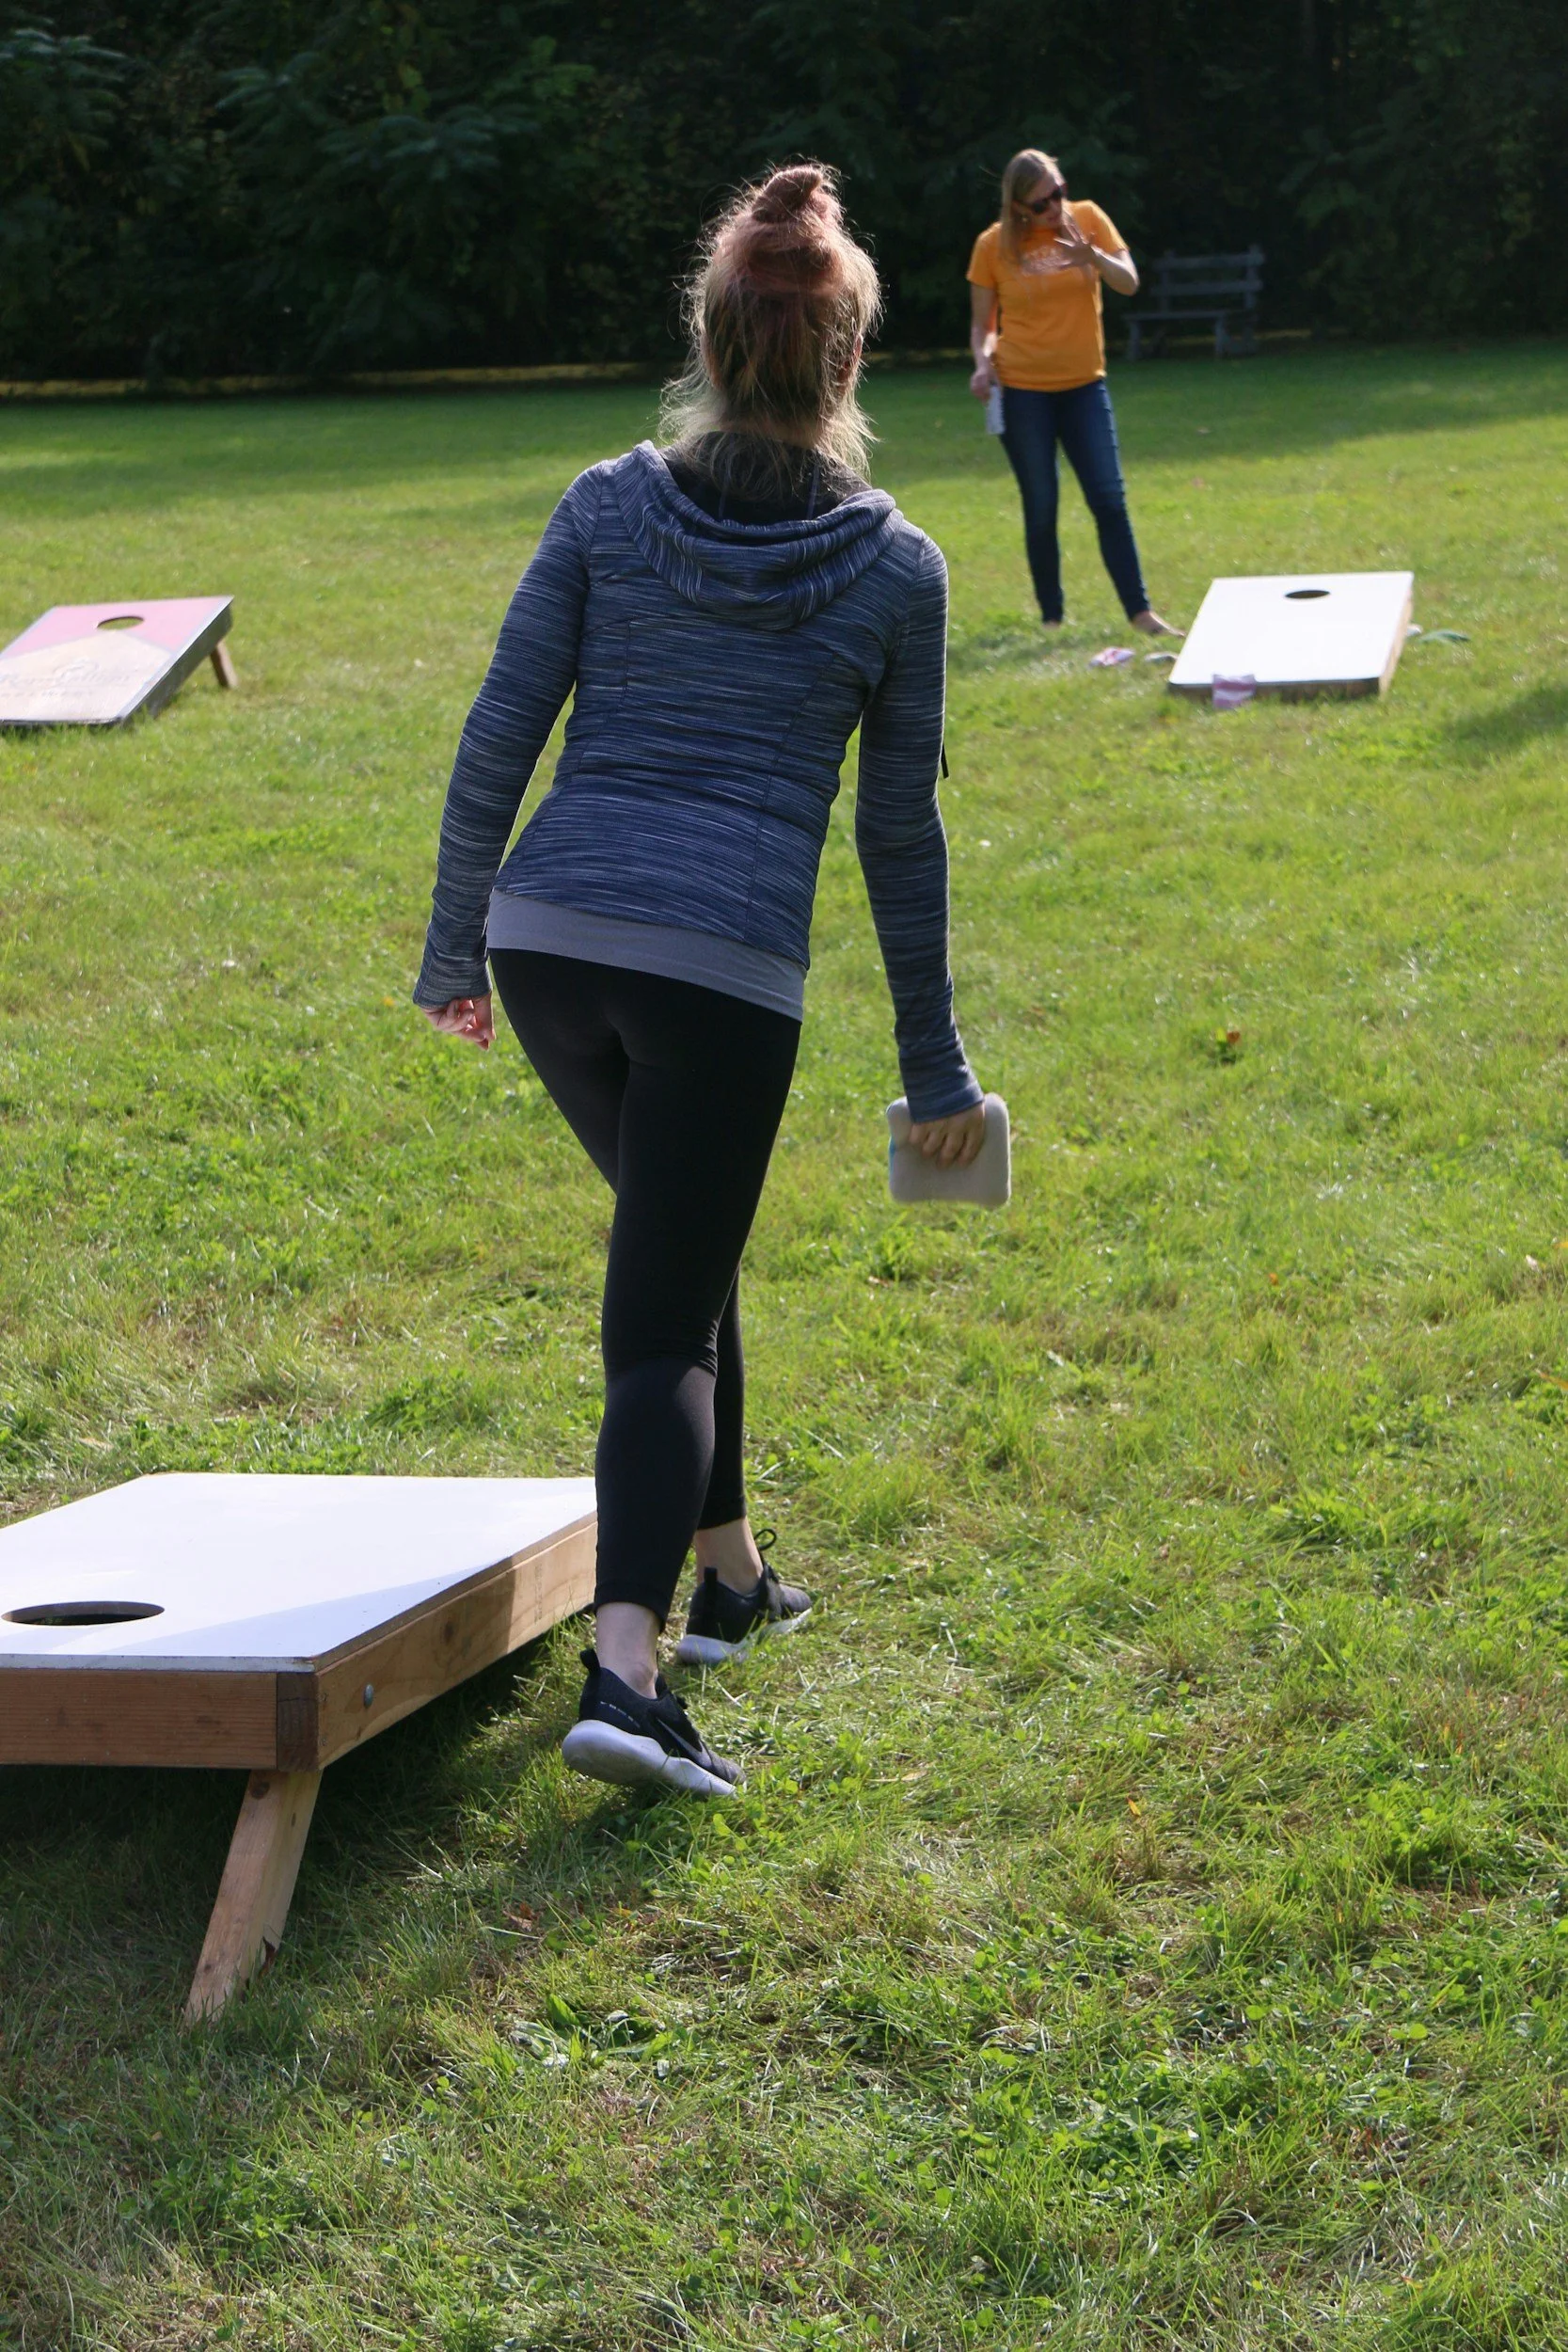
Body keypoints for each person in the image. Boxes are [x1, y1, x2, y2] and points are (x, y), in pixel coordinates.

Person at [414, 164, 985, 1801]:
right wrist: (935, 1070)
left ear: (710, 340)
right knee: (659, 1320)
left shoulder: (601, 501)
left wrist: (458, 942)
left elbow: (496, 739)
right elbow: (902, 842)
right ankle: (627, 1677)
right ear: (851, 361)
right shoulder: (899, 571)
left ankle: (728, 1575)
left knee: (686, 1242)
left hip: (548, 951)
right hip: (715, 977)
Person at [967, 149, 1178, 636]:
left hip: (1085, 387)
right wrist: (982, 364)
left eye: (1057, 193)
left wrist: (1094, 257)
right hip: (1022, 394)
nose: (1053, 208)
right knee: (1041, 505)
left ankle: (1141, 614)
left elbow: (1129, 283)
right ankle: (1053, 619)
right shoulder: (993, 245)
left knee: (1109, 497)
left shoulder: (1089, 219)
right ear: (1018, 206)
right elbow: (983, 327)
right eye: (1040, 204)